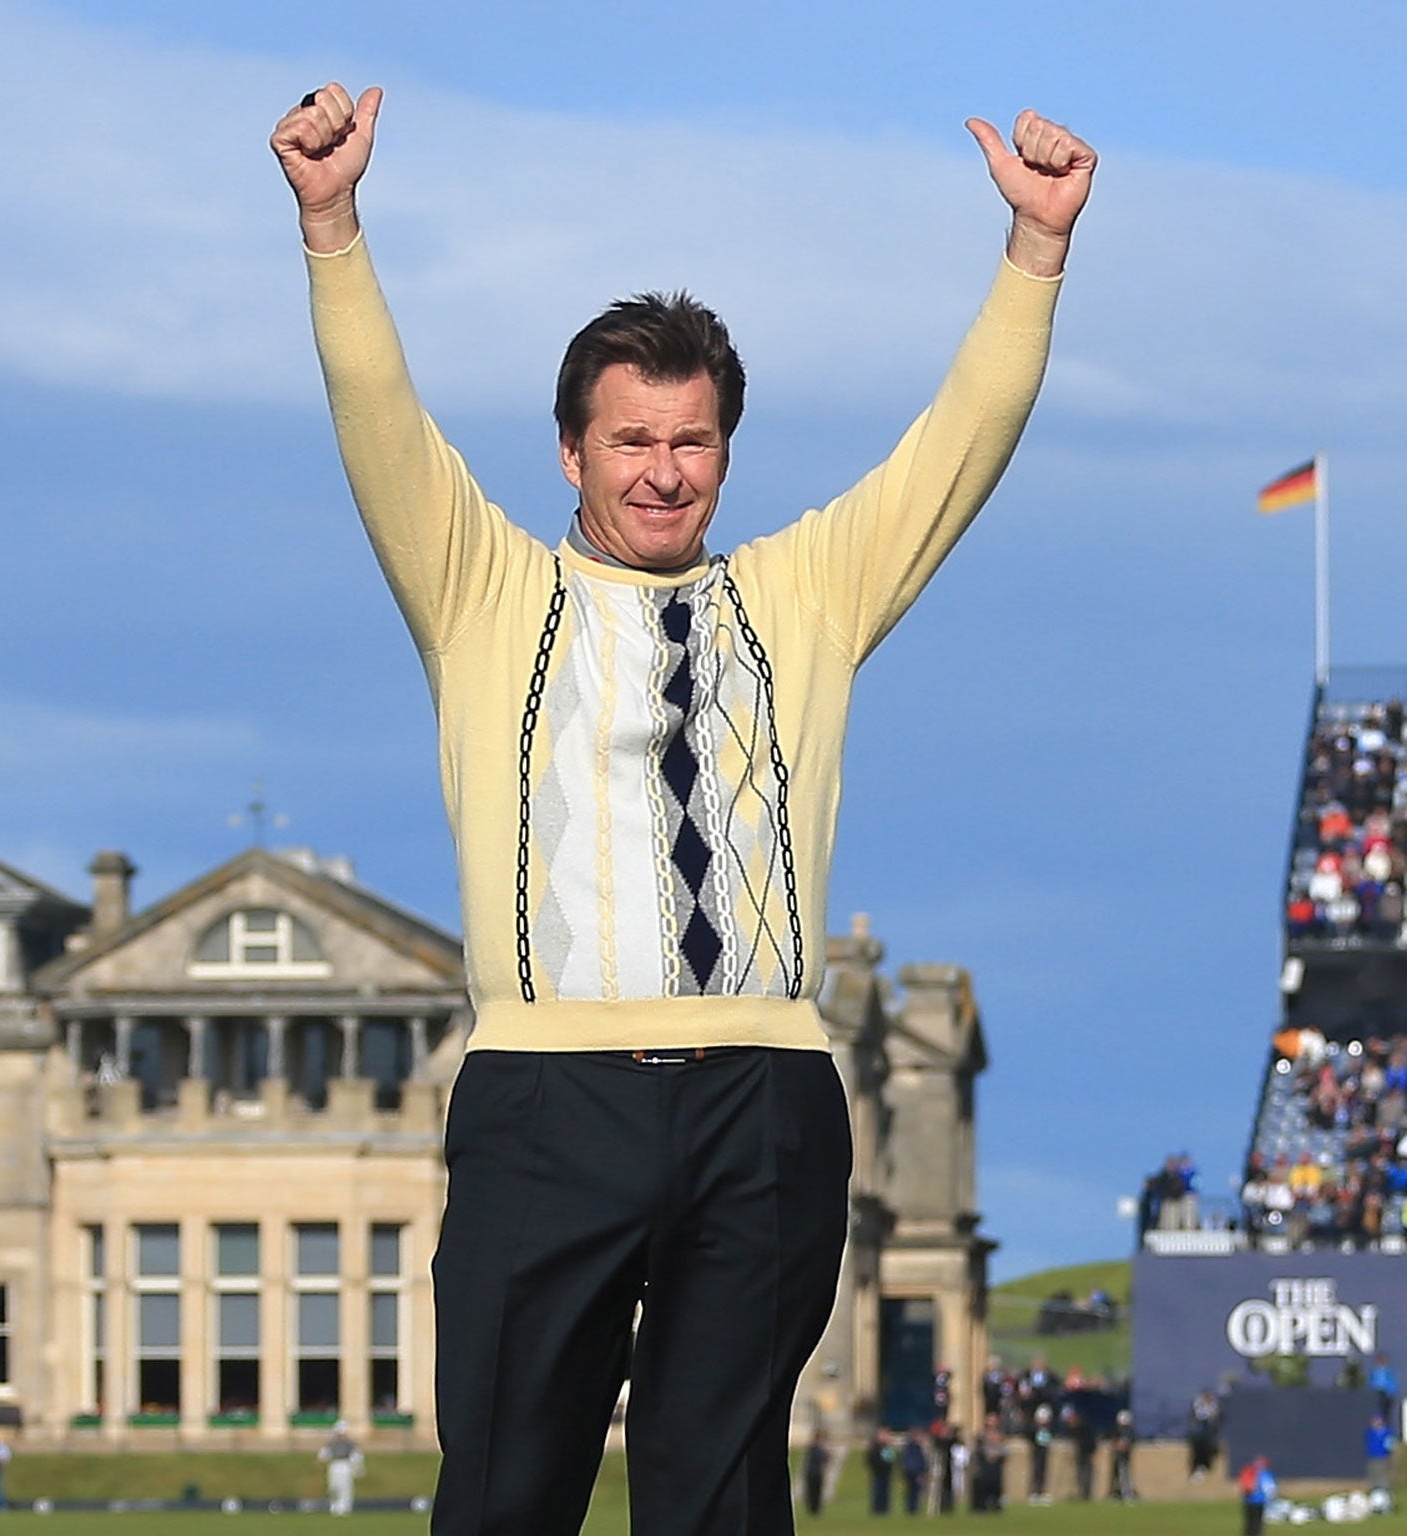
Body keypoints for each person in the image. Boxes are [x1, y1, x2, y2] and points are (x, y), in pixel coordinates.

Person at [272, 80, 1093, 1536]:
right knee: (507, 1496)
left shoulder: (802, 593)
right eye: (632, 441)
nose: (664, 472)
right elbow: (380, 418)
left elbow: (955, 449)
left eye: (693, 442)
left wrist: (1034, 259)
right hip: (547, 1098)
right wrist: (331, 224)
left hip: (763, 1098)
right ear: (574, 453)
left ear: (725, 453)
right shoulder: (483, 588)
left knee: (720, 1502)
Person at [319, 1419, 364, 1517]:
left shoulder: (350, 1443)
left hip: (345, 1464)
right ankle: (335, 1507)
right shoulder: (331, 1443)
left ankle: (345, 1508)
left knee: (346, 1487)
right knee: (334, 1486)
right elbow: (324, 1455)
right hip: (335, 1464)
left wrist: (358, 1468)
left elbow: (356, 1456)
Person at [1239, 1453, 1276, 1536]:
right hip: (1258, 1501)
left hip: (1251, 1501)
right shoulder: (1264, 1474)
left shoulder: (1251, 1472)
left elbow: (1244, 1486)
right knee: (1256, 1522)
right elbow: (1271, 1489)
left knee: (1251, 1522)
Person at [800, 1429, 830, 1516]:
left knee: (817, 1491)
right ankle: (813, 1509)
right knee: (812, 1491)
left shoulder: (818, 1448)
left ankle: (815, 1509)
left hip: (816, 1472)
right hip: (813, 1472)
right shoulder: (814, 1448)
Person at [1109, 1409, 1137, 1503]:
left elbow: (1130, 1442)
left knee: (1124, 1476)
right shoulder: (1116, 1430)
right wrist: (1118, 1445)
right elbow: (1113, 1441)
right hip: (1117, 1457)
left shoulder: (1129, 1431)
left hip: (1124, 1457)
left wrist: (1124, 1445)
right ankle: (1115, 1495)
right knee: (1116, 1477)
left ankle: (1126, 1495)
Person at [868, 1428, 897, 1516]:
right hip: (878, 1473)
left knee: (886, 1492)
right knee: (878, 1492)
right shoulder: (875, 1447)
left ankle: (884, 1510)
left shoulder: (887, 1447)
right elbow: (871, 1460)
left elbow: (892, 1459)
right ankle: (877, 1510)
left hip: (887, 1473)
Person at [1368, 1411, 1395, 1495]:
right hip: (1372, 1456)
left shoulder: (1386, 1432)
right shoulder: (1370, 1432)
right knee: (1373, 1472)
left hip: (1383, 1456)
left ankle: (1384, 1489)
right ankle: (1374, 1489)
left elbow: (1390, 1443)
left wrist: (1387, 1452)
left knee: (1382, 1473)